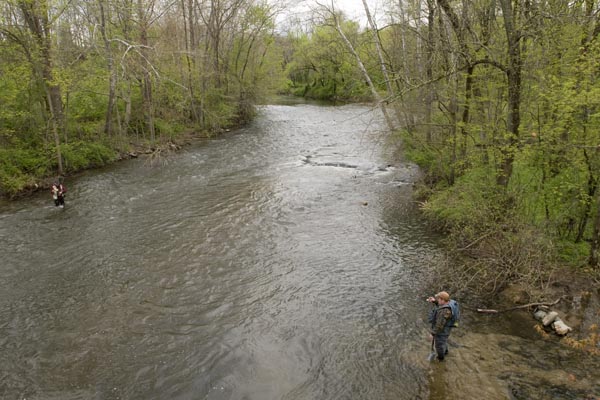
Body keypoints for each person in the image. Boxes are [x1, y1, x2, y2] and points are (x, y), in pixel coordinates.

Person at [427, 291, 454, 361]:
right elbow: (441, 305)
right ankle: (446, 351)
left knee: (439, 345)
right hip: (447, 330)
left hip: (442, 332)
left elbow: (439, 324)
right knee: (443, 342)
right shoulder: (449, 303)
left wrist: (432, 334)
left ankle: (441, 359)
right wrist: (434, 301)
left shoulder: (444, 311)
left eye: (438, 299)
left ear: (443, 300)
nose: (437, 300)